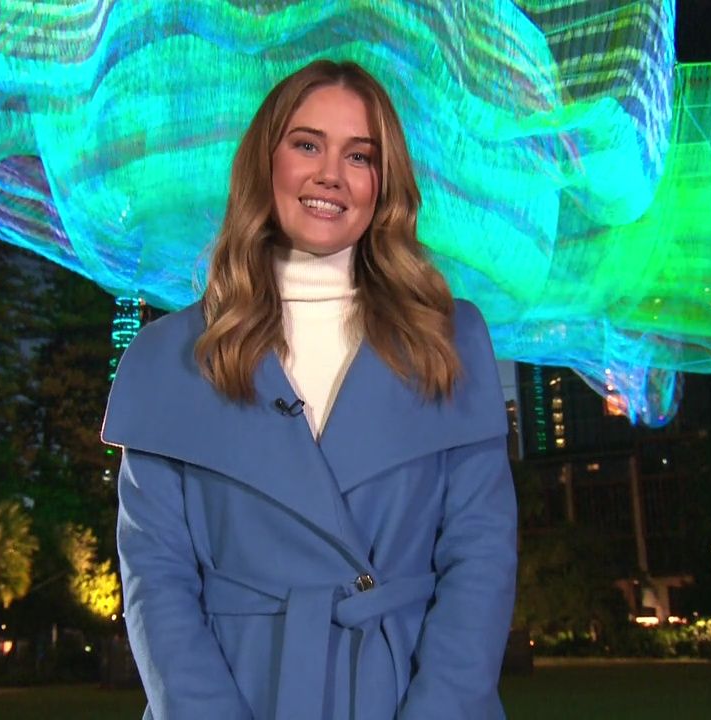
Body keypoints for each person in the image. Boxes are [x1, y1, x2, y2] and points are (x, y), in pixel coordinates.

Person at [102, 59, 517, 720]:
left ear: (384, 183)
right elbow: (158, 584)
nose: (331, 174)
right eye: (306, 145)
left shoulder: (452, 342)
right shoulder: (165, 361)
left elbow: (482, 561)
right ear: (264, 163)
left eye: (360, 156)